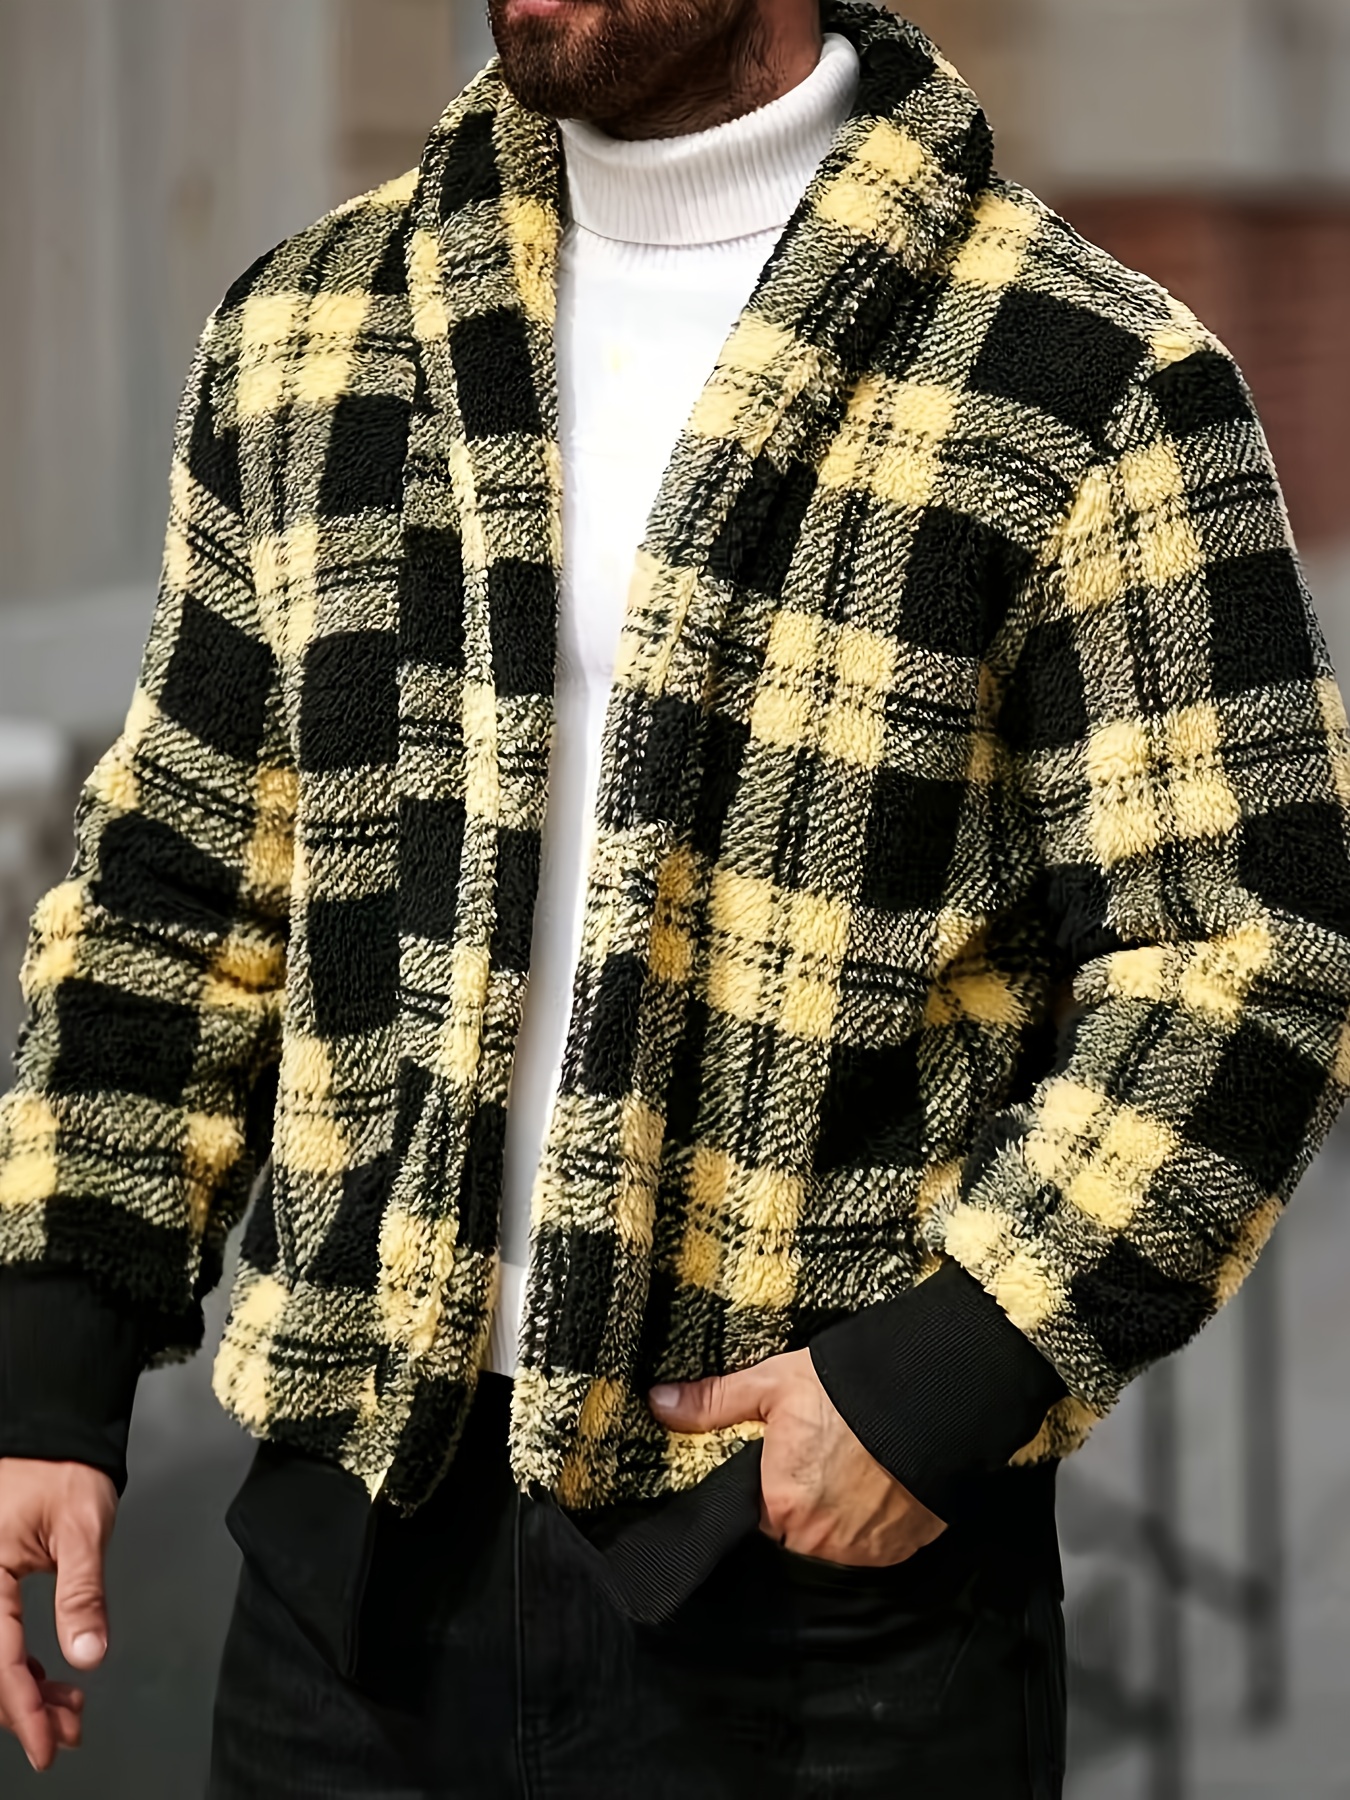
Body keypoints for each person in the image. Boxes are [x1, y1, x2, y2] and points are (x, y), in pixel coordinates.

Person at [2, 0, 1347, 1792]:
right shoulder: (309, 329)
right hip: (349, 1605)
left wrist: (953, 1369)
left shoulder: (1087, 378)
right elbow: (173, 890)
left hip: (824, 1620)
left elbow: (1244, 950)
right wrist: (53, 1366)